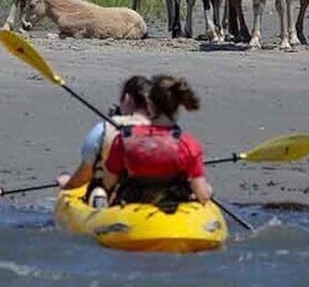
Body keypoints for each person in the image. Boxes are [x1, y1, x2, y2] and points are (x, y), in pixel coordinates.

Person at [104, 74, 212, 211]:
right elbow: (202, 194)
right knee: (207, 188)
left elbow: (109, 181)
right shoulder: (188, 144)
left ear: (150, 104)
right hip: (174, 206)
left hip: (132, 204)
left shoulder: (125, 137)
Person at [57, 76, 151, 207]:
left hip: (114, 192)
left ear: (127, 99)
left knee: (98, 188)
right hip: (151, 192)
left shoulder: (103, 129)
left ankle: (99, 197)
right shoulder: (165, 130)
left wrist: (66, 185)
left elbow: (84, 176)